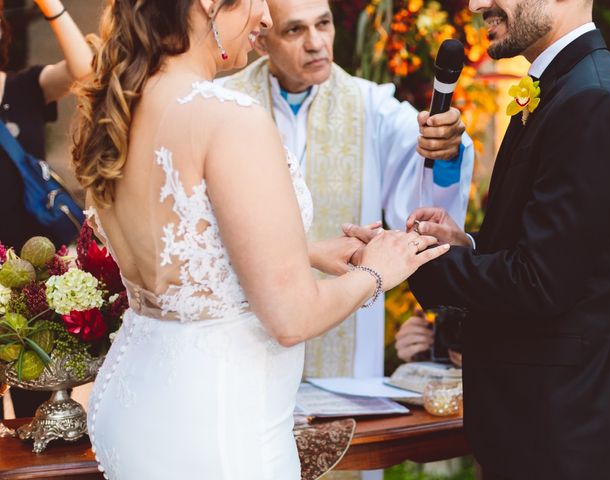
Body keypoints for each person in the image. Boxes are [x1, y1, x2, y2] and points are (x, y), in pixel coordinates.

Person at [72, 1, 449, 479]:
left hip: (134, 406)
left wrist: (304, 251)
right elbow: (292, 318)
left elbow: (178, 245)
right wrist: (378, 271)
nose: (264, 19)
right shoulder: (228, 117)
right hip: (221, 428)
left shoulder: (121, 110)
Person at [400, 0, 610, 477]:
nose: (476, 4)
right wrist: (463, 245)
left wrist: (413, 258)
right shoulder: (562, 88)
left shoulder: (592, 99)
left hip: (568, 437)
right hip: (540, 427)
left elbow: (540, 282)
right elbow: (554, 255)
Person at [219, 0, 473, 382]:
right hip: (247, 344)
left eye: (324, 24)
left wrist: (448, 146)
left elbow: (424, 199)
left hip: (346, 356)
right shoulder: (222, 105)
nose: (316, 42)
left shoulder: (370, 106)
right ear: (261, 39)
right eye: (294, 30)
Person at [0, 0, 92, 419]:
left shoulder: (24, 87)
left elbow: (84, 69)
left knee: (35, 402)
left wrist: (50, 6)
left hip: (30, 275)